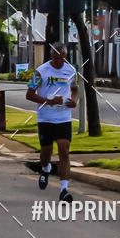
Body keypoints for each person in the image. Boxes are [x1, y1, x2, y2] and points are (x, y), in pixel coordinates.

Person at [25, 43, 78, 202]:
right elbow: (29, 94)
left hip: (63, 118)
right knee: (46, 152)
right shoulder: (41, 72)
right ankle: (45, 168)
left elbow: (75, 89)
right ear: (50, 56)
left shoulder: (71, 71)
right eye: (55, 58)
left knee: (64, 151)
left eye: (61, 58)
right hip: (46, 118)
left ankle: (64, 190)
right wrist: (49, 101)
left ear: (66, 56)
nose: (58, 61)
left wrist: (74, 101)